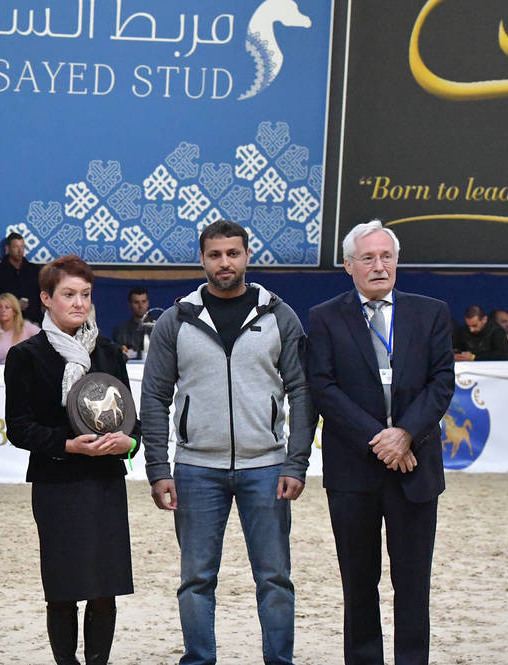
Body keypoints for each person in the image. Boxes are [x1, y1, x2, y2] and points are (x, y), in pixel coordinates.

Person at [140, 220, 315, 665]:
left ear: (247, 256)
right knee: (196, 578)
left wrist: (296, 462)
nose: (224, 263)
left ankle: (280, 660)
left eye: (232, 254)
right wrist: (158, 469)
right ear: (201, 259)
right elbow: (155, 396)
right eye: (215, 255)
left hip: (267, 467)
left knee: (275, 578)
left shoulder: (279, 315)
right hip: (196, 469)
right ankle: (199, 660)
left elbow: (302, 389)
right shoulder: (176, 319)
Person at [306, 220, 454, 665]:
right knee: (359, 582)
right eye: (367, 258)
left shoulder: (431, 313)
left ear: (397, 262)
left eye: (386, 256)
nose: (378, 266)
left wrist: (405, 434)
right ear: (349, 266)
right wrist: (381, 439)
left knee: (413, 583)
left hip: (415, 469)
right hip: (354, 473)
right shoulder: (324, 317)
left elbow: (441, 381)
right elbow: (324, 388)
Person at [4, 254, 140, 665]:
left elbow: (133, 420)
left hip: (105, 482)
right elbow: (19, 428)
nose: (79, 303)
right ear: (46, 298)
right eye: (68, 295)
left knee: (105, 587)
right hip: (57, 483)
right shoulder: (26, 356)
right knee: (63, 589)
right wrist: (68, 445)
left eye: (85, 294)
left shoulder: (110, 352)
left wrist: (128, 444)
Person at [0, 232, 42, 325]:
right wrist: (14, 305)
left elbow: (41, 296)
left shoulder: (34, 271)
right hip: (7, 323)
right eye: (16, 247)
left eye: (22, 247)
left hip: (32, 321)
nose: (20, 250)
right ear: (7, 249)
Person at [0, 292, 40, 362]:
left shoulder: (26, 326)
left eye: (7, 307)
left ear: (14, 311)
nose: (3, 310)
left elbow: (45, 339)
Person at [111, 287, 150, 359]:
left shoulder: (157, 328)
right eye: (136, 302)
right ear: (130, 304)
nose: (140, 306)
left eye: (143, 301)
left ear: (148, 303)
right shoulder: (120, 331)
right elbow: (116, 356)